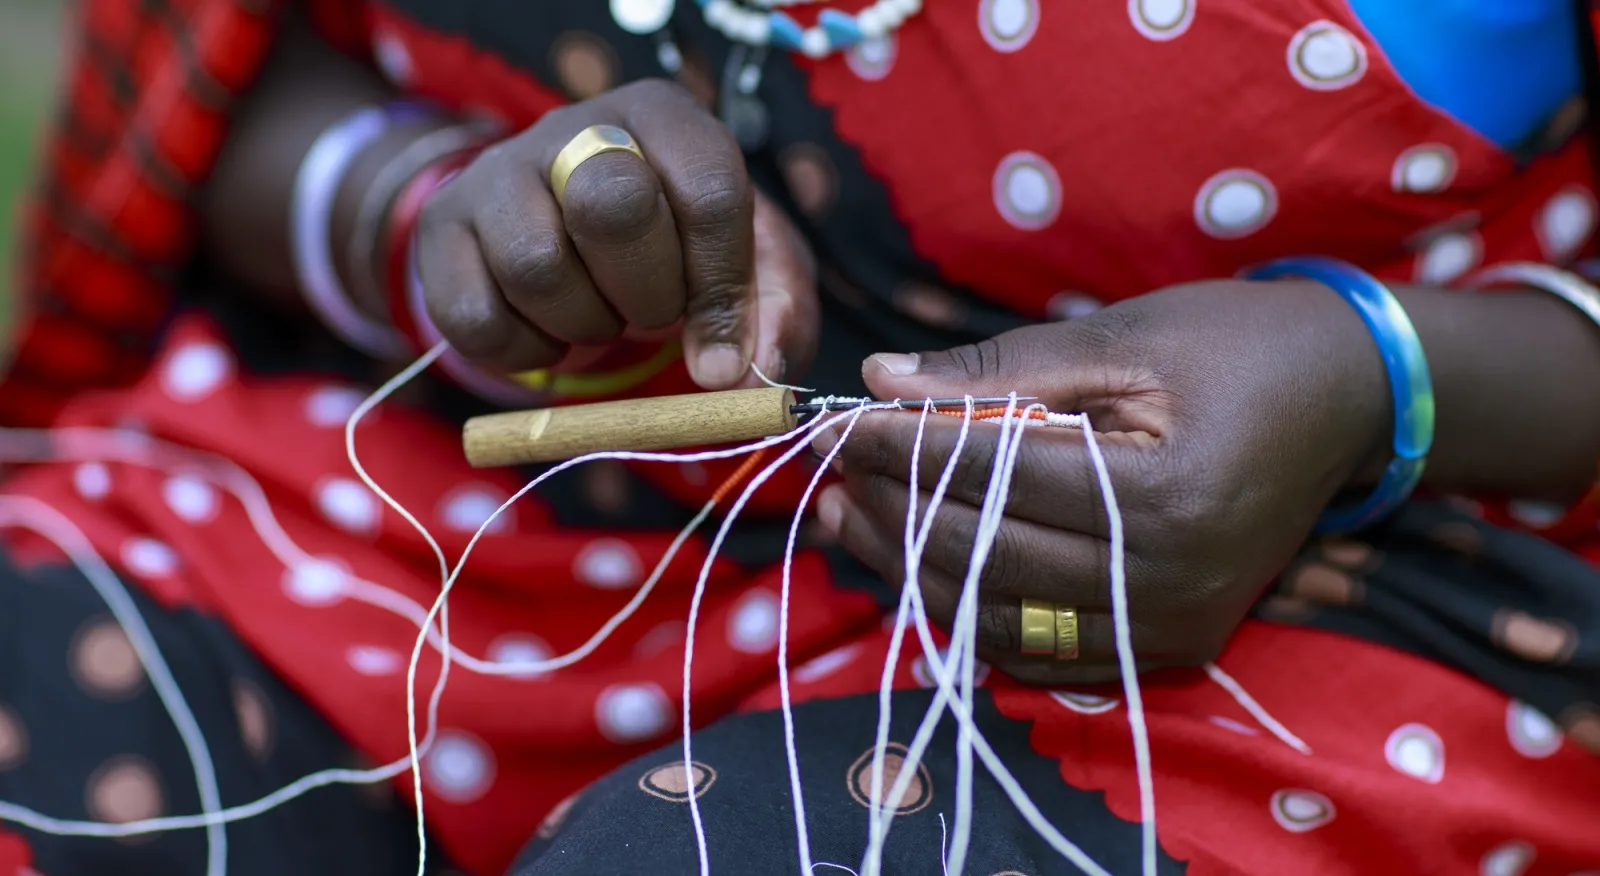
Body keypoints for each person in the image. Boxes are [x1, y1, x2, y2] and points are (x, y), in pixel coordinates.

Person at [0, 0, 1597, 874]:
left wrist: (1372, 373)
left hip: (1276, 624)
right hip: (435, 515)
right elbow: (227, 71)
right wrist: (420, 213)